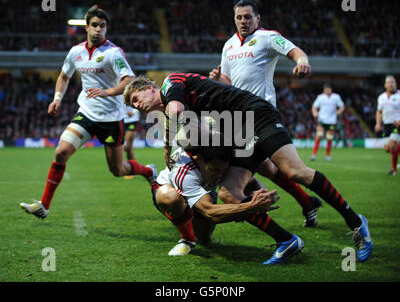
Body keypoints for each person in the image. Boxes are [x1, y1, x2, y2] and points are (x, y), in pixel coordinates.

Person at [123, 73, 373, 263]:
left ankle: (355, 222)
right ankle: (286, 240)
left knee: (295, 171)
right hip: (238, 131)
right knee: (229, 193)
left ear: (148, 88)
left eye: (136, 99)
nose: (138, 106)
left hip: (256, 115)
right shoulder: (177, 104)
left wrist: (172, 145)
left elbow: (176, 111)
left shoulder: (169, 84)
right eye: (133, 107)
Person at [20, 5, 157, 219]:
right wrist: (57, 99)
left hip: (111, 118)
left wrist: (106, 92)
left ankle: (148, 171)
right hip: (86, 114)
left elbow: (129, 80)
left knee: (118, 170)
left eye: (102, 26)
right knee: (60, 152)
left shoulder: (113, 53)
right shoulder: (76, 52)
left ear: (106, 29)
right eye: (94, 25)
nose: (98, 29)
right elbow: (64, 76)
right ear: (87, 27)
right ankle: (43, 205)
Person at [209, 0, 322, 227]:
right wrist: (216, 80)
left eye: (248, 17)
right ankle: (305, 201)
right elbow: (228, 81)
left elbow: (295, 51)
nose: (243, 21)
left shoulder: (267, 37)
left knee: (264, 169)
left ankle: (259, 210)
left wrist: (302, 61)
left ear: (257, 18)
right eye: (239, 17)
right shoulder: (229, 45)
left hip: (260, 115)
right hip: (237, 116)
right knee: (267, 168)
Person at [150, 144, 301, 262]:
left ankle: (193, 229)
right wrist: (250, 206)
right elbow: (210, 211)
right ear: (200, 160)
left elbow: (253, 182)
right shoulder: (185, 171)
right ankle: (187, 238)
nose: (219, 176)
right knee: (171, 198)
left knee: (205, 239)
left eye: (223, 171)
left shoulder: (221, 161)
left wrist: (262, 198)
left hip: (202, 195)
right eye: (214, 170)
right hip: (169, 190)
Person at [310, 83, 345, 162]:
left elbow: (342, 106)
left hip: (331, 121)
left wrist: (339, 111)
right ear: (324, 90)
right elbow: (314, 107)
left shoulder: (336, 97)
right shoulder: (320, 97)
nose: (328, 91)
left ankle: (327, 155)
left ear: (331, 90)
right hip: (322, 120)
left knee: (329, 138)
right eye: (326, 89)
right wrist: (315, 113)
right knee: (319, 136)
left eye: (329, 89)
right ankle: (314, 155)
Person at [375, 75, 400, 175]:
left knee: (393, 145)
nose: (391, 84)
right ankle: (394, 168)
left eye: (393, 82)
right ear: (385, 85)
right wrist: (378, 123)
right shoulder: (381, 97)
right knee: (387, 149)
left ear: (395, 84)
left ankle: (393, 169)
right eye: (389, 82)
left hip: (396, 124)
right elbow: (379, 111)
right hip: (386, 125)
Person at [123, 105, 140, 180]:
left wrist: (133, 112)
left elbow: (140, 103)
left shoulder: (133, 92)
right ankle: (135, 166)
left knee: (127, 146)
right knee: (128, 147)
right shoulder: (115, 93)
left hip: (132, 120)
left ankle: (131, 169)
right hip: (120, 119)